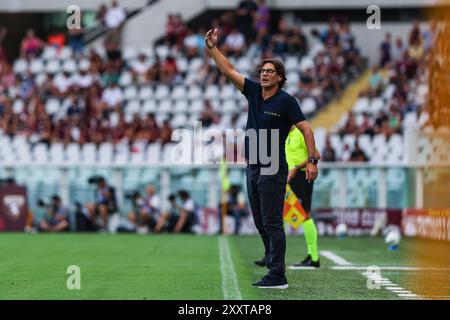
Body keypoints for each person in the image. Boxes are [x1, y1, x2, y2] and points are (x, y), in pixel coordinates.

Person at [205, 28, 318, 289]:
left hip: (273, 165)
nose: (264, 74)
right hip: (252, 166)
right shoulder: (254, 92)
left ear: (280, 77)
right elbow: (228, 70)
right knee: (259, 221)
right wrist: (212, 48)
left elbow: (307, 129)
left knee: (273, 222)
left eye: (270, 71)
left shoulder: (286, 101)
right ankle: (271, 259)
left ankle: (277, 275)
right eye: (263, 71)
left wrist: (312, 160)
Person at [284, 127, 320, 268]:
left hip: (302, 176)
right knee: (282, 211)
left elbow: (316, 155)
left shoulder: (300, 133)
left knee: (305, 215)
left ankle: (314, 257)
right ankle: (272, 254)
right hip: (291, 176)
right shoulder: (288, 134)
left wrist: (296, 168)